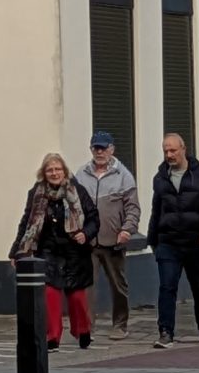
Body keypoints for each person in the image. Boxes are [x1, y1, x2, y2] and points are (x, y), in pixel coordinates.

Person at [10, 152, 99, 349]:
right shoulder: (36, 194)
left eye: (58, 169)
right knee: (50, 293)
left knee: (76, 296)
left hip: (75, 250)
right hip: (48, 250)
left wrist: (85, 233)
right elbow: (27, 222)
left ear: (64, 171)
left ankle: (82, 331)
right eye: (50, 170)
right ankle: (52, 337)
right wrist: (17, 251)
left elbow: (93, 218)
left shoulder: (78, 191)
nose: (54, 173)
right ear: (44, 173)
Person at [147, 130, 199, 347]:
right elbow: (156, 210)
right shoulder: (160, 178)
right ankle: (165, 332)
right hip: (168, 242)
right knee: (167, 286)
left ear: (183, 149)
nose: (169, 155)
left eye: (173, 150)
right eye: (165, 151)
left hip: (196, 241)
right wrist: (153, 240)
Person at [75, 132, 139, 338]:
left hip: (114, 241)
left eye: (103, 148)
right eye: (96, 148)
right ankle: (86, 327)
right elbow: (73, 206)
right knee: (86, 287)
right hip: (88, 242)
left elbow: (133, 207)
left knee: (118, 286)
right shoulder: (81, 174)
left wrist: (127, 229)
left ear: (112, 149)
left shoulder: (123, 175)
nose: (99, 152)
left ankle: (120, 325)